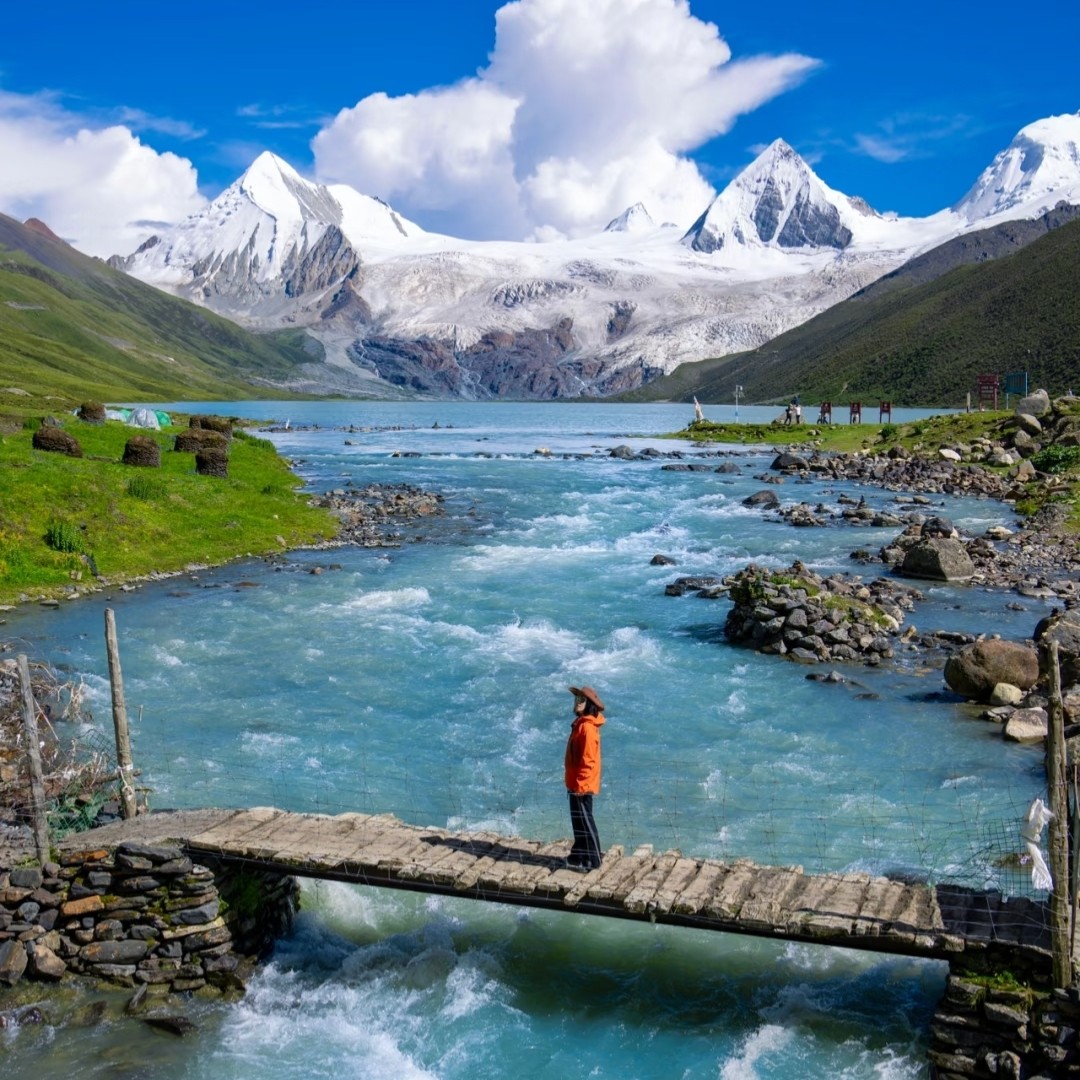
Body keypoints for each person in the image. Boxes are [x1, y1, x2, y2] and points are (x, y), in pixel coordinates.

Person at [564, 685, 606, 870]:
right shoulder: (582, 724)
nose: (577, 703)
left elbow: (588, 761)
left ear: (588, 704)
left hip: (582, 784)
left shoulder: (587, 728)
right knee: (578, 820)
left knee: (586, 821)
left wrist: (580, 786)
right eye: (576, 699)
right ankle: (579, 856)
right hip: (576, 782)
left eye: (581, 700)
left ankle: (594, 860)